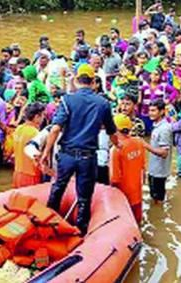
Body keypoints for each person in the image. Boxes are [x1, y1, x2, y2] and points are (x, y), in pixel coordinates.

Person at [40, 64, 119, 235]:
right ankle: (80, 232)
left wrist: (46, 152)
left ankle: (47, 222)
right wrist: (118, 145)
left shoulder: (67, 100)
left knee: (58, 188)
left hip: (67, 155)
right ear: (93, 82)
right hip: (87, 157)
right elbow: (112, 131)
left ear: (76, 81)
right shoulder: (103, 103)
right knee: (84, 198)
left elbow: (55, 129)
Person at [110, 114, 146, 224]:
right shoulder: (139, 142)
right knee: (138, 225)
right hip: (138, 193)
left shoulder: (116, 149)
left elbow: (114, 179)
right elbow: (143, 168)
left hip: (124, 197)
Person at [143, 99, 172, 204]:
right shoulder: (156, 126)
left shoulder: (164, 129)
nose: (150, 113)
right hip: (154, 168)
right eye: (150, 110)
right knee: (153, 196)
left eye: (154, 111)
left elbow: (164, 153)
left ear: (162, 111)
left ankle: (159, 217)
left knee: (158, 199)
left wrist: (146, 145)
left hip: (159, 171)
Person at [12, 103, 46, 188]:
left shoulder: (18, 129)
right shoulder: (36, 134)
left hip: (17, 173)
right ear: (36, 117)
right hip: (31, 175)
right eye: (43, 115)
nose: (44, 118)